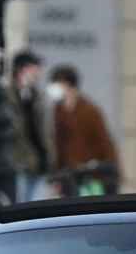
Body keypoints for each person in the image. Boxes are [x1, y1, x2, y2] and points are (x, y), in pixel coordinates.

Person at [48, 64, 121, 192]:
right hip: (68, 177)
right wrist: (56, 175)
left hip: (90, 175)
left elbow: (103, 141)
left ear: (68, 85)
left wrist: (114, 171)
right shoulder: (57, 112)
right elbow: (57, 147)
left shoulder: (88, 111)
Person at [8, 51, 58, 203]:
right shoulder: (9, 95)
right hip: (20, 160)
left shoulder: (36, 95)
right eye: (33, 67)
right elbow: (14, 128)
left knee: (31, 205)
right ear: (20, 69)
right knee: (19, 203)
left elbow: (44, 129)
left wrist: (50, 155)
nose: (37, 72)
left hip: (39, 160)